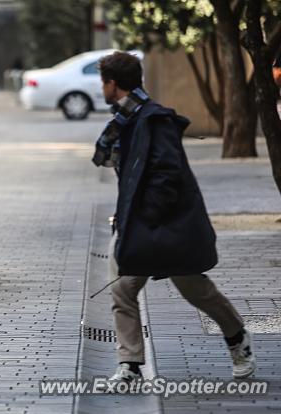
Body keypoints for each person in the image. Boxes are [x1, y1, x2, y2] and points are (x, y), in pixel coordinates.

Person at [92, 51, 256, 385]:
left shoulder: (154, 119)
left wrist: (149, 215)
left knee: (195, 289)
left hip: (165, 224)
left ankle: (237, 337)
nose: (101, 89)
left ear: (113, 83)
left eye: (103, 82)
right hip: (135, 222)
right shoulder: (123, 121)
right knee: (122, 288)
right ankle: (130, 364)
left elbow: (168, 173)